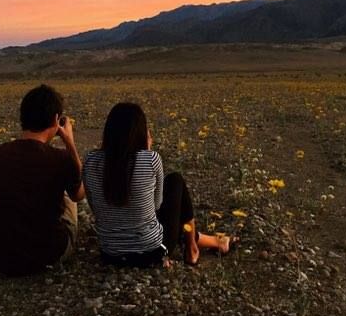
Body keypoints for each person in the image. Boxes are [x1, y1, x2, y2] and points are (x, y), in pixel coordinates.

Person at [83, 102, 233, 268]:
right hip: (151, 253)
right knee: (175, 180)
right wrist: (146, 150)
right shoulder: (150, 159)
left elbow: (94, 206)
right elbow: (157, 205)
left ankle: (211, 241)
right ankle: (192, 248)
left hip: (109, 254)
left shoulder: (91, 161)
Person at [0, 84, 84, 276]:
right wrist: (70, 142)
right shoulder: (60, 159)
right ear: (56, 119)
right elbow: (79, 194)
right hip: (48, 255)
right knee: (68, 197)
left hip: (0, 258)